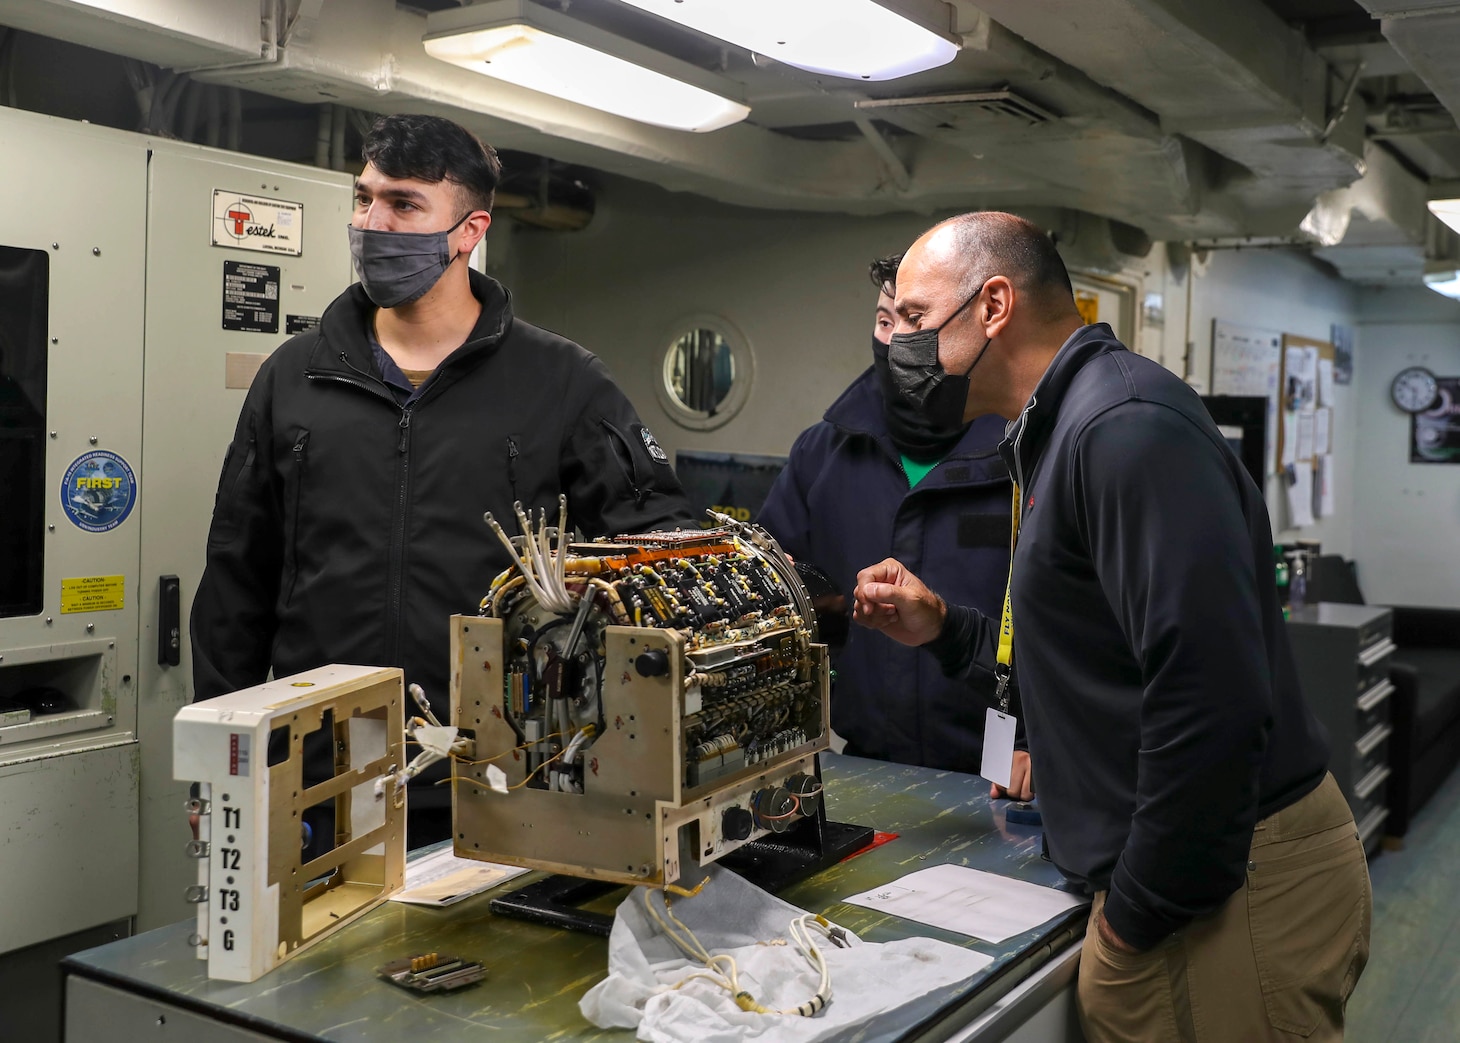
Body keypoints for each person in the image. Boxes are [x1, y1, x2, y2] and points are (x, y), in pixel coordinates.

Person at [853, 212, 1369, 1041]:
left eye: (913, 318)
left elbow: (1213, 701)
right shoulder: (1058, 430)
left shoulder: (1124, 429)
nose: (896, 344)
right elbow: (1094, 665)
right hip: (1193, 876)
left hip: (1225, 885)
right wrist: (945, 629)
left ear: (993, 306)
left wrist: (1135, 917)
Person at [191, 114, 693, 852]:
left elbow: (657, 553)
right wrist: (221, 764)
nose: (371, 223)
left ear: (468, 230)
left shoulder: (563, 383)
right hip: (320, 773)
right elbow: (237, 580)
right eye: (363, 199)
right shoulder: (292, 378)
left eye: (402, 204)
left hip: (498, 776)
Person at [758, 256, 1030, 797]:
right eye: (886, 322)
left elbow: (1086, 631)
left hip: (1005, 774)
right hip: (864, 767)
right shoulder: (824, 451)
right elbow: (770, 591)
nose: (895, 340)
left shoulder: (1027, 453)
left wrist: (1050, 744)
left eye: (915, 322)